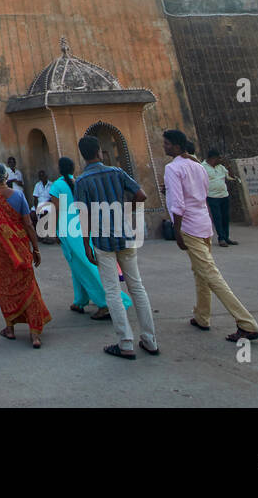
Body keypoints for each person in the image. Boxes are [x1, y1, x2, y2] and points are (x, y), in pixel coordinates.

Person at [163, 129, 258, 343]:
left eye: (168, 144)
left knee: (210, 273)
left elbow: (178, 205)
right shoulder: (197, 166)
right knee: (201, 272)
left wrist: (177, 232)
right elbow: (199, 191)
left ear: (178, 147)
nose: (165, 147)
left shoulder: (172, 168)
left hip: (188, 226)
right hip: (203, 222)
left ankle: (246, 323)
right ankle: (202, 316)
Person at [73, 136, 158, 361]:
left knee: (112, 291)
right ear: (99, 152)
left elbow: (83, 215)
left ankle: (126, 343)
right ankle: (150, 340)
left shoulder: (82, 181)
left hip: (102, 240)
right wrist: (125, 212)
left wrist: (86, 245)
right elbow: (141, 195)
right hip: (125, 235)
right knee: (137, 287)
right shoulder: (117, 173)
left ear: (83, 155)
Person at [49, 157, 130, 320]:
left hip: (67, 229)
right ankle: (80, 301)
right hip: (82, 225)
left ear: (60, 169)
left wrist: (54, 231)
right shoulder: (79, 181)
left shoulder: (57, 186)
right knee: (79, 265)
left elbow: (56, 210)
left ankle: (106, 303)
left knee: (86, 267)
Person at [0, 163, 51, 347]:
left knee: (4, 285)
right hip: (19, 246)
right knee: (29, 285)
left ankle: (10, 328)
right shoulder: (19, 196)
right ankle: (35, 334)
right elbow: (28, 224)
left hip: (0, 247)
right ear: (6, 177)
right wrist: (35, 249)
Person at [202, 149, 239, 247]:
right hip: (212, 196)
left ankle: (226, 237)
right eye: (219, 158)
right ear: (213, 158)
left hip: (224, 195)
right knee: (217, 217)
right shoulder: (202, 167)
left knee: (225, 217)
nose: (220, 160)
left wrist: (228, 166)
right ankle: (221, 238)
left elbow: (231, 177)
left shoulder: (221, 167)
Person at [32, 169, 55, 243]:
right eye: (40, 176)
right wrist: (36, 209)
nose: (42, 178)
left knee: (44, 214)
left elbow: (52, 198)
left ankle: (44, 235)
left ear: (46, 176)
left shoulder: (51, 185)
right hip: (39, 205)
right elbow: (35, 198)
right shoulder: (37, 185)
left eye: (43, 176)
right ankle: (38, 234)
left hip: (48, 204)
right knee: (31, 215)